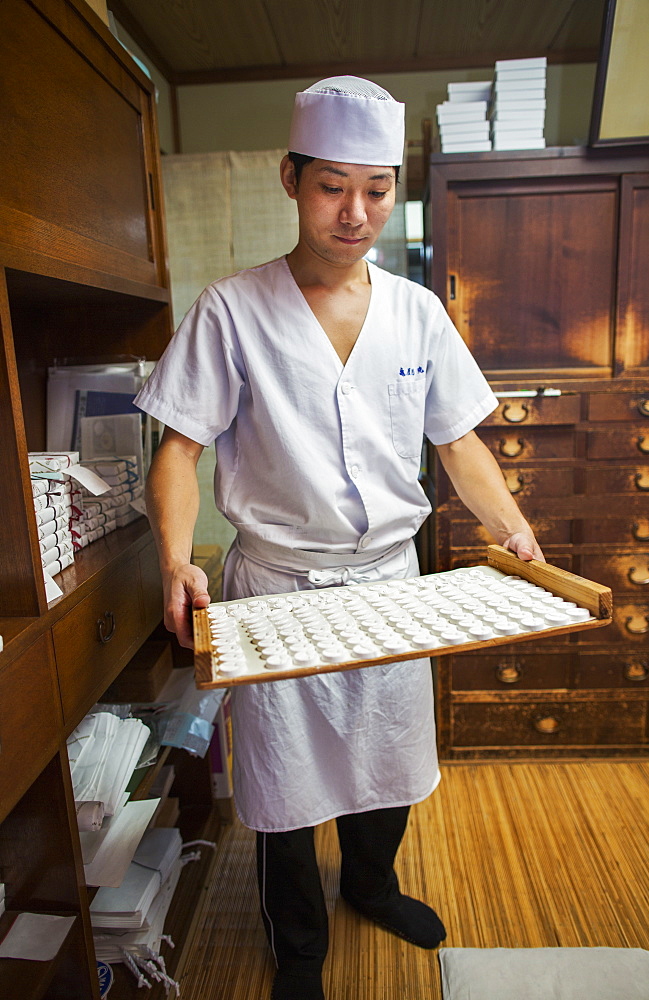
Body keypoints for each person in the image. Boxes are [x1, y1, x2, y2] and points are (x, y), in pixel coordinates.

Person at [135, 76, 543, 1000]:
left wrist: (513, 528)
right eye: (331, 186)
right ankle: (300, 949)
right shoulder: (232, 311)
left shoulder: (417, 313)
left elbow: (459, 440)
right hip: (276, 586)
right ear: (290, 178)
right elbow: (178, 449)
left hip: (392, 579)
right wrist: (172, 558)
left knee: (389, 759)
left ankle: (371, 882)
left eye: (375, 187)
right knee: (282, 790)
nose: (355, 211)